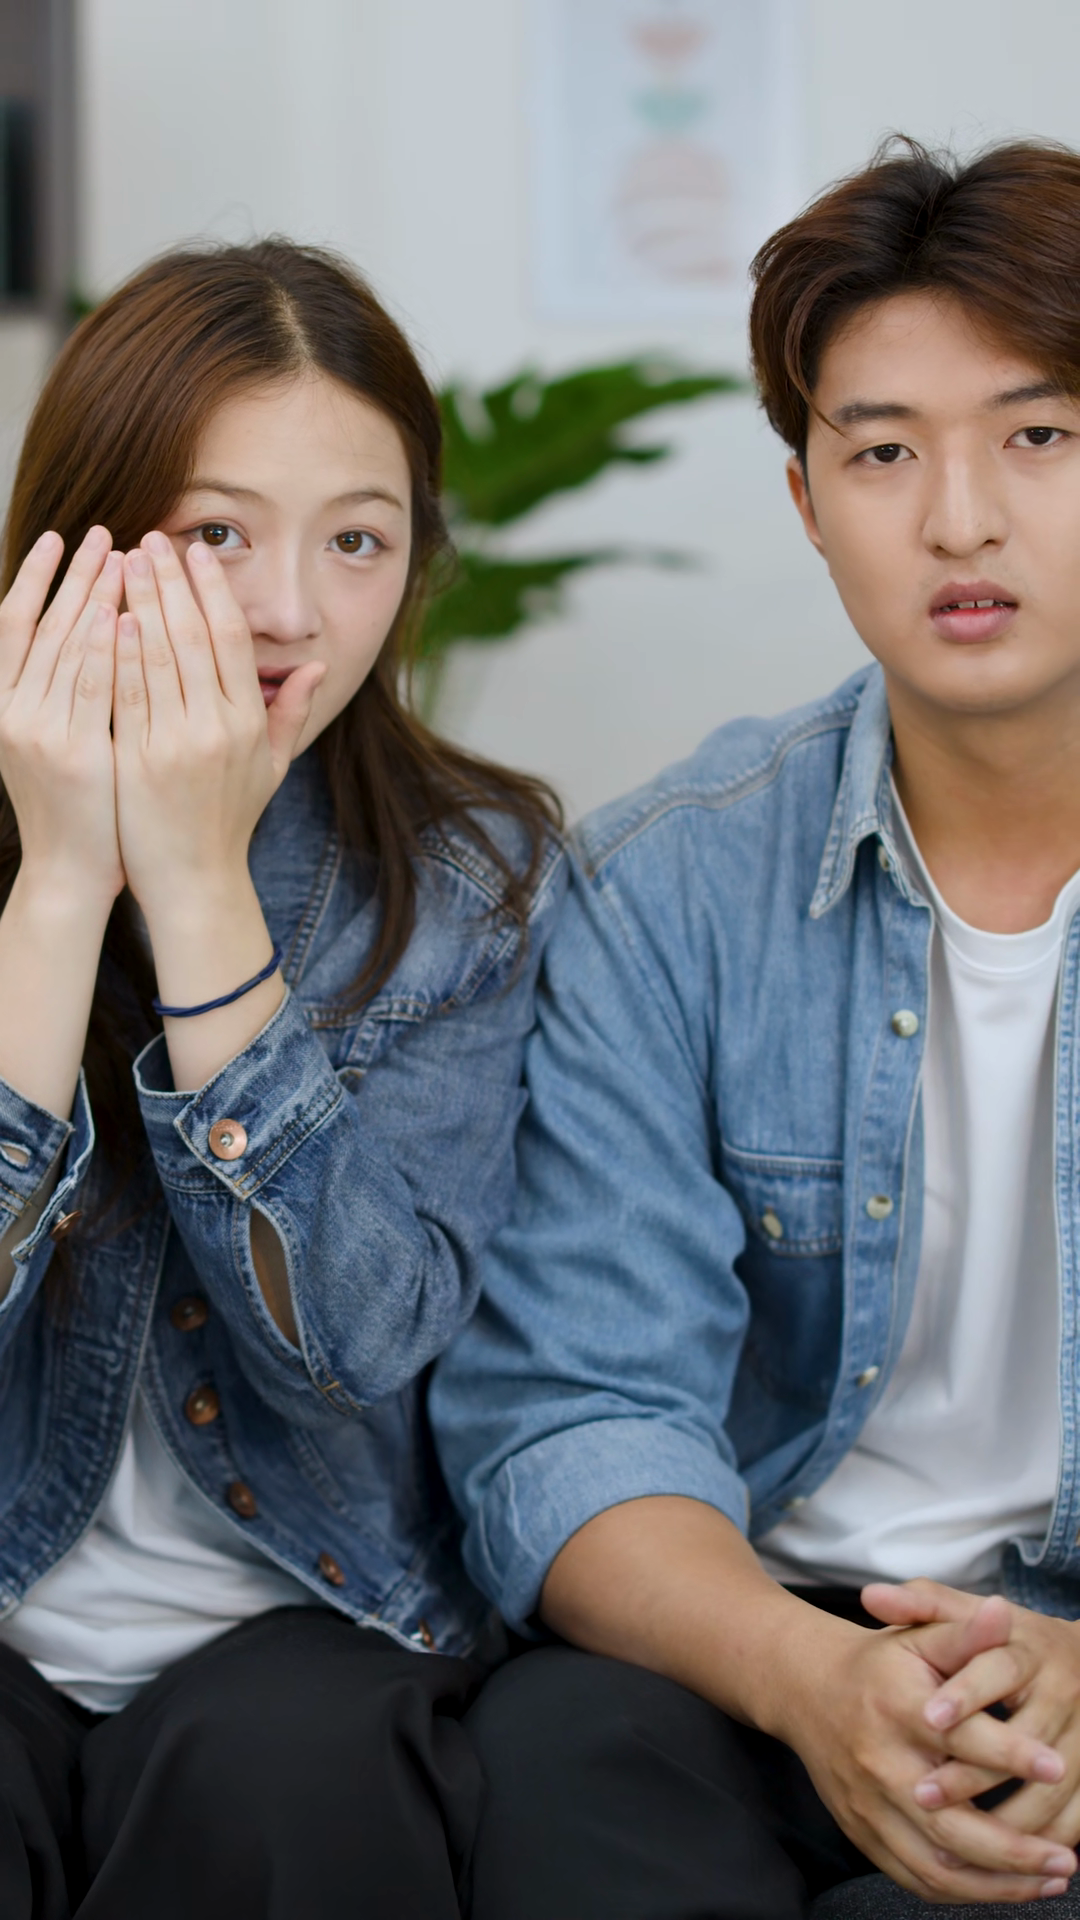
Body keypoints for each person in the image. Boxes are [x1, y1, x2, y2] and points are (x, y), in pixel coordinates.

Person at [433, 138, 1080, 1915]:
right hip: (761, 1628)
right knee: (560, 1759)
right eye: (884, 452)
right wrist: (812, 1682)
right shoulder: (665, 887)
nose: (960, 520)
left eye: (1038, 435)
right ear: (806, 500)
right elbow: (575, 1408)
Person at [0, 238, 562, 1919]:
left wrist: (199, 888)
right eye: (218, 535)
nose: (291, 615)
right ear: (72, 542)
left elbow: (357, 1348)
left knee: (288, 1788)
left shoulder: (464, 879)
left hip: (313, 1610)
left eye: (358, 542)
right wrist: (58, 887)